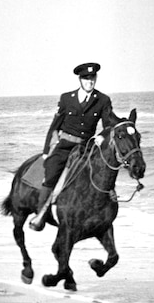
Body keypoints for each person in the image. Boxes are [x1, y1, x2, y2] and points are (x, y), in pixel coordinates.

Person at [29, 62, 120, 231]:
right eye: (86, 78)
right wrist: (46, 151)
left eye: (92, 78)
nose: (90, 81)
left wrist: (101, 136)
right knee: (51, 172)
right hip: (64, 146)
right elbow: (54, 125)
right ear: (80, 80)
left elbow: (108, 125)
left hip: (85, 148)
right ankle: (41, 213)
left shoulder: (103, 100)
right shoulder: (66, 98)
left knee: (100, 172)